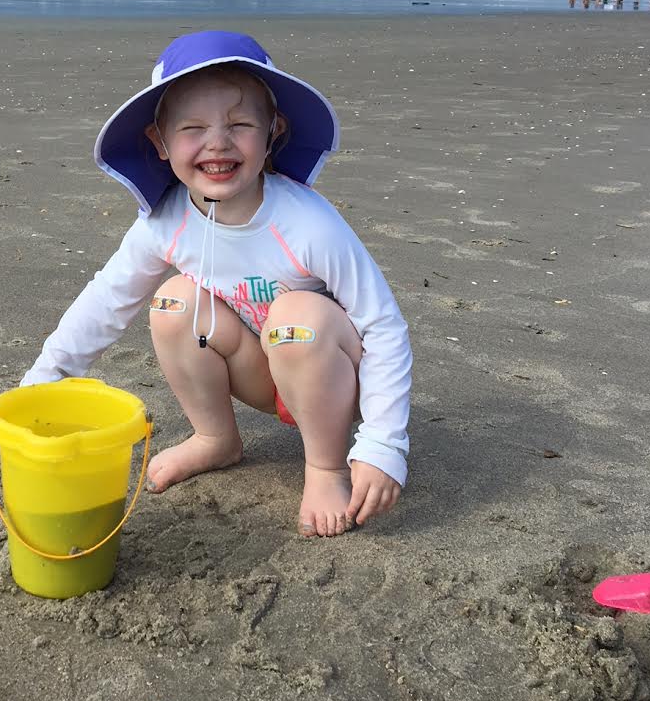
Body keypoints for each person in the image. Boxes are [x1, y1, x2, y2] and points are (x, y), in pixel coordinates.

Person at [21, 30, 412, 538]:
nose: (218, 142)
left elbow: (384, 327)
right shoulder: (166, 221)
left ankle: (325, 466)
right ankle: (215, 437)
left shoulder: (308, 223)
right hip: (260, 371)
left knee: (298, 317)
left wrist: (383, 443)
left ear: (273, 132)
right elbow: (107, 299)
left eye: (241, 124)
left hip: (329, 374)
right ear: (159, 143)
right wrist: (42, 382)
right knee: (173, 301)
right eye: (193, 128)